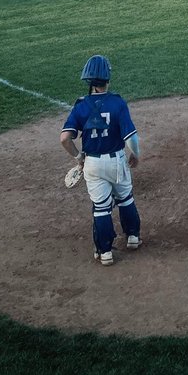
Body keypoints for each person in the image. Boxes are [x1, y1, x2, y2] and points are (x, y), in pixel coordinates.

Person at [60, 54, 142, 265]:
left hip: (93, 164)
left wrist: (79, 157)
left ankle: (105, 252)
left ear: (89, 80)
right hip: (117, 161)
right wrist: (135, 154)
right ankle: (133, 237)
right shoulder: (117, 102)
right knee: (125, 198)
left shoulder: (81, 106)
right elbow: (131, 138)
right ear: (108, 78)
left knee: (101, 207)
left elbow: (65, 138)